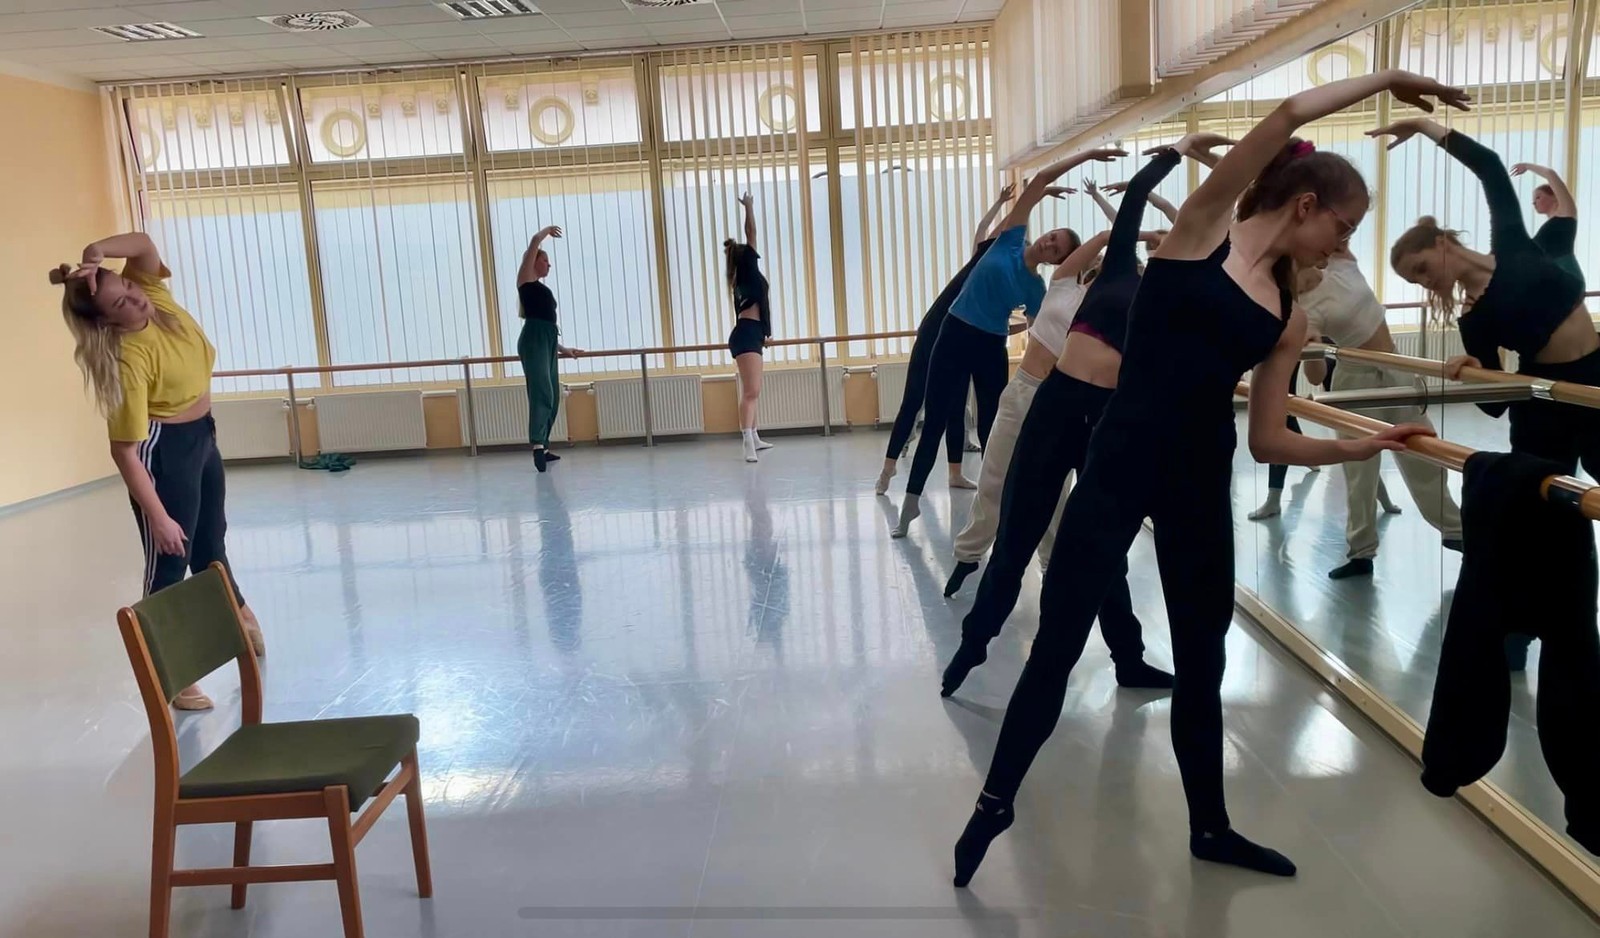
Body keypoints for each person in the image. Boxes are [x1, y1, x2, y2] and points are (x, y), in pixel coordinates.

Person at [950, 70, 1465, 887]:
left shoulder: (1288, 316)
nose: (1343, 245)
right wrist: (1387, 80)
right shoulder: (1199, 234)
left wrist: (1361, 448)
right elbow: (1288, 113)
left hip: (1197, 489)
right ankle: (994, 802)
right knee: (1057, 646)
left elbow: (1268, 439)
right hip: (1118, 467)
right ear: (1305, 203)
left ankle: (1210, 827)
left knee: (1203, 663)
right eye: (1343, 226)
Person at [942, 144, 1220, 694]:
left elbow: (1211, 240)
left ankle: (1128, 659)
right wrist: (1173, 157)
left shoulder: (1156, 296)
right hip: (1049, 405)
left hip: (1105, 422)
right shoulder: (1088, 277)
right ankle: (971, 641)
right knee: (1012, 530)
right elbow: (1131, 208)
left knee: (1102, 555)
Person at [52, 232, 272, 711]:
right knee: (171, 561)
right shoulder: (128, 359)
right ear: (106, 322)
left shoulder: (153, 297)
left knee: (211, 543)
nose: (134, 299)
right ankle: (169, 674)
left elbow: (142, 244)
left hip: (202, 438)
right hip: (165, 452)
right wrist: (159, 517)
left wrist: (96, 251)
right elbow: (124, 452)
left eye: (129, 288)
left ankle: (238, 612)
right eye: (120, 303)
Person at [891, 147, 1125, 538]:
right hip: (954, 332)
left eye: (1057, 249)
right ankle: (910, 503)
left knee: (991, 430)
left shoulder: (1036, 288)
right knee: (935, 420)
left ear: (1056, 261)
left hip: (990, 346)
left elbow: (1044, 331)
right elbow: (1040, 180)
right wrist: (1087, 155)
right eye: (1052, 236)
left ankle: (993, 515)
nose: (1050, 243)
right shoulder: (1010, 239)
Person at [1378, 121, 1600, 479]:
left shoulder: (1511, 241)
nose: (1425, 281)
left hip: (1597, 368)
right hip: (1545, 397)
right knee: (1547, 495)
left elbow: (1489, 166)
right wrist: (1474, 374)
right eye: (1414, 281)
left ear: (1441, 243)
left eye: (1421, 268)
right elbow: (1495, 404)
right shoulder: (1472, 316)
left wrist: (1422, 126)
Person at [1298, 248, 1464, 579]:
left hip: (1396, 367)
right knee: (1360, 473)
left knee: (1425, 456)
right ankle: (1361, 552)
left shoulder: (1340, 262)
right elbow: (1316, 376)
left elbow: (1344, 223)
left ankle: (1456, 531)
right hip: (1354, 380)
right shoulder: (1301, 308)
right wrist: (1312, 348)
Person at [877, 184, 1020, 495]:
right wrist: (1001, 203)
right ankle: (888, 468)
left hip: (958, 341)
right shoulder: (981, 260)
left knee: (957, 409)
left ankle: (955, 473)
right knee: (913, 400)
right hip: (934, 332)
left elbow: (990, 329)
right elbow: (985, 229)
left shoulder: (998, 285)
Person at [517, 225, 583, 473]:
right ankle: (537, 446)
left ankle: (544, 446)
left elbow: (548, 328)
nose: (549, 265)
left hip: (547, 339)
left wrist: (564, 349)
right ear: (534, 261)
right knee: (541, 391)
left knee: (553, 395)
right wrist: (546, 232)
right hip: (534, 339)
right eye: (545, 261)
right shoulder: (525, 280)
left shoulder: (543, 288)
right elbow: (534, 241)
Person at [726, 192, 776, 463]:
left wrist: (765, 333)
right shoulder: (746, 273)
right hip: (745, 333)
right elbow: (751, 232)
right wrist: (749, 207)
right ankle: (747, 441)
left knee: (753, 390)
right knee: (751, 391)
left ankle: (754, 436)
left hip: (752, 333)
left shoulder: (742, 279)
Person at [1515, 161, 1581, 281]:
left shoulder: (1566, 211)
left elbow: (1550, 174)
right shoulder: (1545, 231)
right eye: (1533, 200)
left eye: (1538, 197)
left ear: (1555, 196)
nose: (1534, 202)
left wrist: (1526, 166)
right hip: (1550, 276)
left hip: (1565, 274)